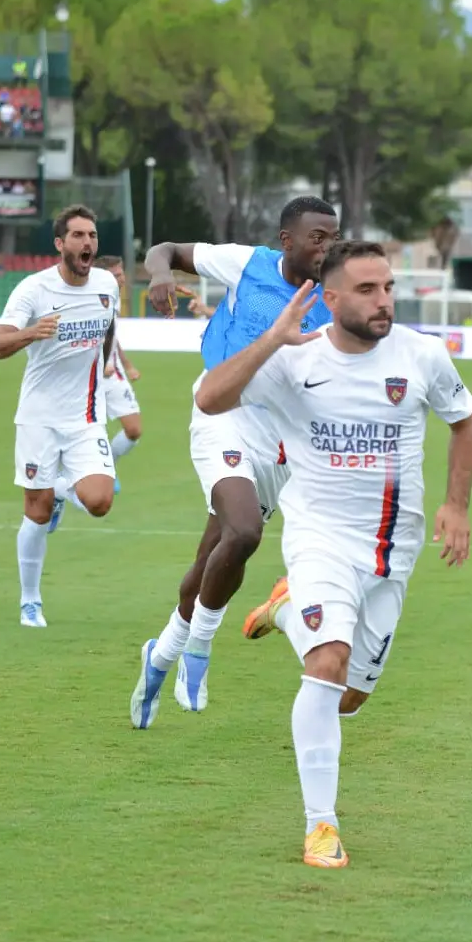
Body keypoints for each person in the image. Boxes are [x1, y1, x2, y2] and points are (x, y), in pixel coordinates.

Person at [201, 241, 472, 868]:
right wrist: (272, 338)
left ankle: (288, 610)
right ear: (330, 299)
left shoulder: (423, 355)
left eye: (387, 287)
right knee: (327, 665)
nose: (384, 301)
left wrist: (457, 505)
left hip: (394, 549)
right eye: (367, 290)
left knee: (349, 695)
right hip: (320, 536)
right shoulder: (296, 360)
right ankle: (320, 827)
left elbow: (464, 419)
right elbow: (210, 399)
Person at [130, 197, 339, 728]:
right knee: (244, 533)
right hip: (221, 410)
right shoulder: (248, 263)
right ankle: (199, 650)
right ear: (287, 239)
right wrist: (158, 275)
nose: (327, 247)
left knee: (210, 560)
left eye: (334, 237)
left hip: (282, 441)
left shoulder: (335, 299)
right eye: (318, 237)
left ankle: (159, 657)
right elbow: (165, 250)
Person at [0, 205, 118, 628]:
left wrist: (110, 361)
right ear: (60, 244)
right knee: (37, 512)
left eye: (92, 236)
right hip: (39, 418)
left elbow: (108, 327)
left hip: (85, 416)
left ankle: (63, 489)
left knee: (100, 501)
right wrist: (31, 332)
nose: (88, 243)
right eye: (78, 236)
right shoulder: (33, 290)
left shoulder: (106, 284)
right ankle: (30, 601)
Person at [96, 256, 142, 492]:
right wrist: (100, 363)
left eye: (121, 273)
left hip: (113, 374)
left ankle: (109, 465)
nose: (121, 278)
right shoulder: (92, 300)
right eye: (115, 275)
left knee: (134, 429)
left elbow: (111, 337)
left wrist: (127, 363)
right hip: (89, 377)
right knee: (88, 431)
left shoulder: (113, 299)